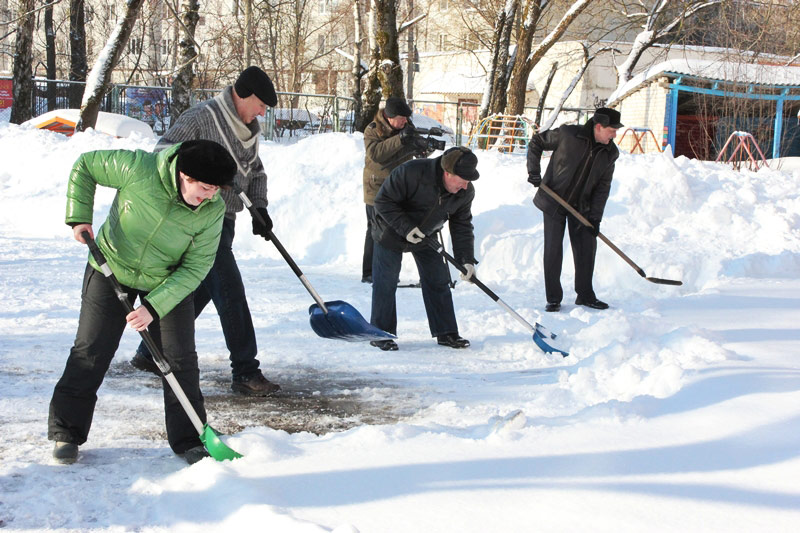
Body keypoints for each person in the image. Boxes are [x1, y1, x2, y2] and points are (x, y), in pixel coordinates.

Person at [48, 140, 236, 465]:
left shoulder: (212, 210)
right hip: (111, 266)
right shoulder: (139, 168)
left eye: (215, 189)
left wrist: (153, 307)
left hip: (167, 280)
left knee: (180, 361)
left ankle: (190, 438)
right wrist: (79, 216)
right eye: (205, 188)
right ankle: (66, 432)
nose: (210, 195)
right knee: (91, 351)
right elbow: (86, 165)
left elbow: (196, 268)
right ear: (184, 175)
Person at [130, 66, 281, 396]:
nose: (262, 112)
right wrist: (200, 177)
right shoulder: (202, 117)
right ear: (243, 96)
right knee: (230, 290)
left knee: (198, 292)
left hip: (225, 221)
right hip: (197, 221)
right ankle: (246, 371)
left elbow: (255, 172)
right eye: (260, 104)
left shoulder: (249, 131)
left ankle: (147, 352)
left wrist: (260, 208)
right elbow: (163, 152)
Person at [369, 146, 480, 351]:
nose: (465, 186)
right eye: (462, 180)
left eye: (469, 181)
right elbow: (382, 202)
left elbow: (462, 225)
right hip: (390, 230)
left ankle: (446, 332)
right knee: (386, 281)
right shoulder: (411, 172)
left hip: (426, 234)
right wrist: (406, 227)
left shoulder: (464, 193)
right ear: (448, 173)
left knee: (438, 279)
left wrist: (466, 260)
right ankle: (380, 333)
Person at [526, 107, 622, 312]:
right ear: (598, 127)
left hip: (582, 207)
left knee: (587, 247)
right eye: (612, 130)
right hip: (553, 200)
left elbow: (602, 188)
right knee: (553, 248)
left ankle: (585, 295)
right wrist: (534, 171)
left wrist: (595, 219)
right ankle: (553, 297)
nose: (614, 134)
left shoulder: (610, 153)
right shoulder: (569, 135)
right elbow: (537, 142)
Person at [361, 96, 428, 283]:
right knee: (375, 230)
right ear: (390, 117)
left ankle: (387, 272)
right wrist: (400, 139)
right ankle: (369, 273)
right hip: (376, 188)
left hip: (399, 188)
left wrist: (423, 148)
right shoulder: (372, 130)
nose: (406, 121)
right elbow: (377, 155)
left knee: (392, 231)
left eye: (407, 118)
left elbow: (412, 151)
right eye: (402, 118)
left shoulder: (407, 129)